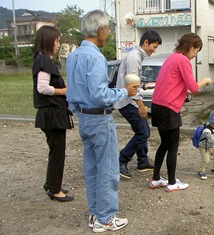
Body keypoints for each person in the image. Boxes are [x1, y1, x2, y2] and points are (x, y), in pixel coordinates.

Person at [66, 10, 138, 233]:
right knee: (107, 169)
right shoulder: (95, 56)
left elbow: (72, 92)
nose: (107, 33)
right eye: (107, 29)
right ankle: (106, 218)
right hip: (99, 118)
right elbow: (100, 94)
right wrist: (123, 91)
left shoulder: (73, 56)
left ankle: (95, 213)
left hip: (84, 118)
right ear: (100, 30)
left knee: (92, 168)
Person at [149, 33, 212, 192]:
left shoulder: (172, 57)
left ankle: (156, 178)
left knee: (164, 143)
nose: (195, 55)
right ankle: (171, 183)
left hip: (157, 105)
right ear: (191, 48)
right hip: (169, 108)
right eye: (196, 51)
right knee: (173, 146)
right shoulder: (183, 60)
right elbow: (194, 88)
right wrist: (205, 81)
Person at [32, 25, 74, 202]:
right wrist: (64, 91)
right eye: (56, 40)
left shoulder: (42, 60)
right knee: (58, 152)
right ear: (47, 41)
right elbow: (42, 88)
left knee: (55, 151)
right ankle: (55, 190)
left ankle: (51, 183)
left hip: (51, 114)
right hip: (52, 114)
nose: (57, 44)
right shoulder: (44, 61)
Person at [114, 30, 162, 179]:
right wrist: (141, 105)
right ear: (145, 42)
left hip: (129, 100)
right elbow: (132, 85)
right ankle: (121, 161)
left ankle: (142, 161)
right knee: (143, 132)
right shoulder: (134, 57)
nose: (154, 51)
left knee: (142, 130)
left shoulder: (136, 56)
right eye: (153, 47)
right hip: (128, 102)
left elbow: (135, 83)